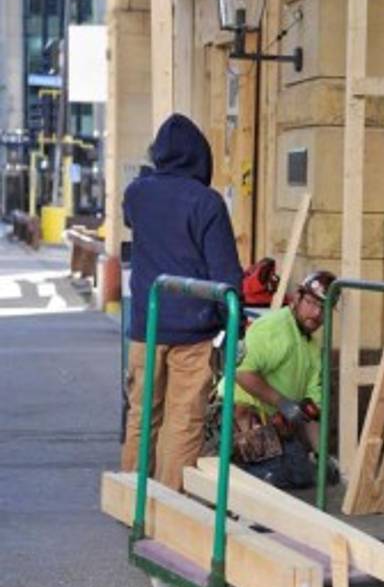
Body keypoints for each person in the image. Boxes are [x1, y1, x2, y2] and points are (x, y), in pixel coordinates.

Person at [121, 113, 243, 491]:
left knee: (142, 413)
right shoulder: (207, 203)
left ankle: (131, 497)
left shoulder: (137, 194)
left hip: (148, 324)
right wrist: (233, 324)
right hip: (193, 330)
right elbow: (225, 272)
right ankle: (167, 504)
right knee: (183, 419)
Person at [229, 269, 338, 489]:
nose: (316, 313)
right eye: (311, 303)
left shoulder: (312, 348)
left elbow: (311, 410)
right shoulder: (274, 328)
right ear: (297, 298)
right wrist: (282, 402)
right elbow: (241, 372)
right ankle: (233, 470)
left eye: (324, 308)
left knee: (305, 477)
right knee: (271, 479)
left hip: (274, 425)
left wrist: (321, 455)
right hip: (239, 417)